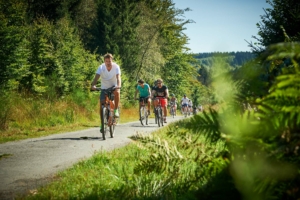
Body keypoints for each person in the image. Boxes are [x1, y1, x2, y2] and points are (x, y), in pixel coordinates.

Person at [91, 53, 121, 133]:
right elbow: (96, 77)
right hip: (104, 88)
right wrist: (93, 85)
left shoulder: (116, 67)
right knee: (102, 105)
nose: (108, 63)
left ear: (112, 61)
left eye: (109, 61)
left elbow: (118, 77)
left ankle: (115, 110)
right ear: (104, 61)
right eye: (106, 61)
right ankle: (102, 124)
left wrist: (118, 85)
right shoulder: (101, 67)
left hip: (113, 86)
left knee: (117, 92)